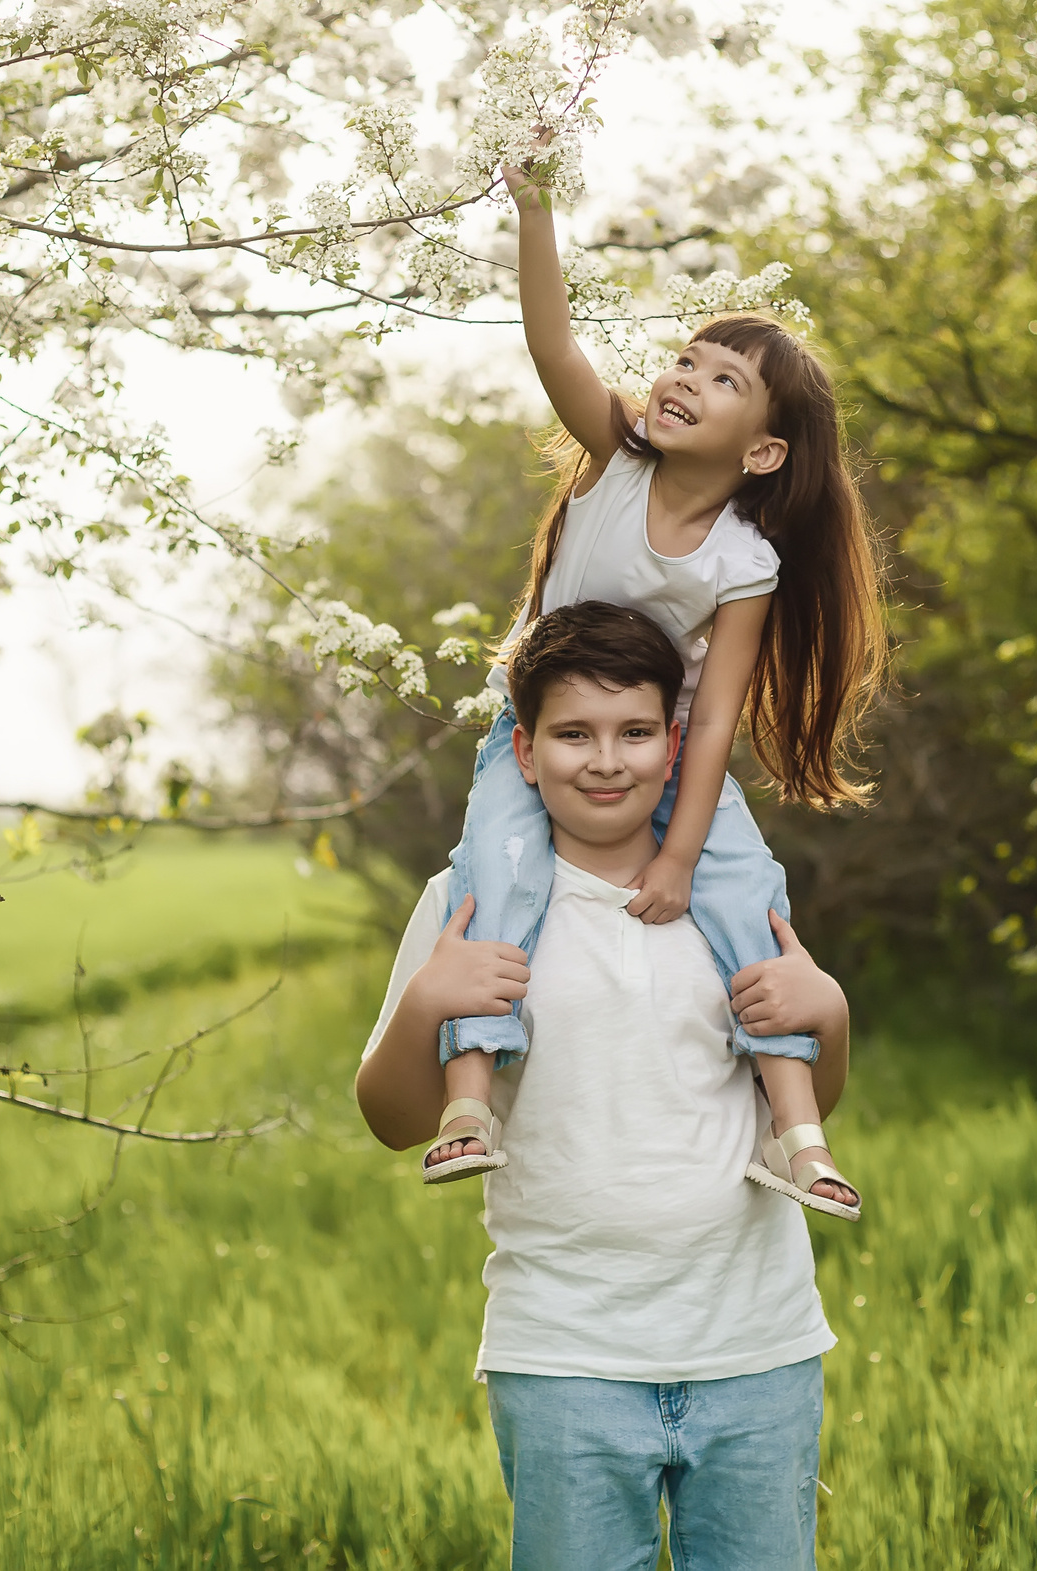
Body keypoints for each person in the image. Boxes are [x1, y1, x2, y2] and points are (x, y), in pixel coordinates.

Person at [420, 153, 886, 1220]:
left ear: (763, 450)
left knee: (744, 899)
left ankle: (797, 1135)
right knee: (496, 877)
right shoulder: (618, 461)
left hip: (668, 752)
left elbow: (716, 710)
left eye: (724, 380)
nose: (686, 378)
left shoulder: (742, 561)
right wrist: (534, 208)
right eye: (688, 358)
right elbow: (551, 343)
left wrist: (681, 853)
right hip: (541, 734)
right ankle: (467, 1104)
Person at [355, 601, 851, 1569]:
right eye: (572, 733)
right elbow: (390, 1122)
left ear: (675, 744)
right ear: (524, 752)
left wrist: (829, 1011)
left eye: (633, 732)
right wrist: (426, 1006)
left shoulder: (733, 894)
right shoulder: (467, 902)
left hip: (754, 1345)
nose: (605, 760)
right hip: (564, 1352)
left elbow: (800, 1099)